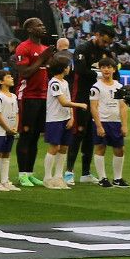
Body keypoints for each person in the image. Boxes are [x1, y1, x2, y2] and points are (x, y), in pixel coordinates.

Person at [70, 22, 116, 184]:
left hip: (98, 99)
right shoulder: (83, 49)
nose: (106, 45)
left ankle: (85, 173)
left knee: (91, 134)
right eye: (104, 41)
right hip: (81, 96)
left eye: (108, 43)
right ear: (96, 35)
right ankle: (69, 172)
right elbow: (80, 70)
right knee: (78, 133)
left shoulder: (107, 53)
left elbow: (114, 73)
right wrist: (100, 74)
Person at [10, 17, 53, 187]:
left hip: (43, 95)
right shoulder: (24, 47)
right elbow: (25, 72)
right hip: (28, 95)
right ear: (29, 29)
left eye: (43, 24)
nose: (43, 27)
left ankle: (30, 172)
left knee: (35, 136)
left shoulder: (43, 48)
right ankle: (22, 174)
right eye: (39, 25)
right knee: (26, 135)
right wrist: (42, 58)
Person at [42, 56, 83, 190]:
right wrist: (80, 105)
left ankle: (58, 177)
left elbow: (68, 100)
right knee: (54, 147)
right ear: (63, 68)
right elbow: (63, 102)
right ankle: (47, 178)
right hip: (54, 119)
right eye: (68, 66)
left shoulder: (64, 82)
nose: (69, 68)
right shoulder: (54, 83)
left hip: (65, 118)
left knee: (64, 147)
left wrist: (71, 116)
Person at [90, 59, 127, 187]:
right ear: (100, 69)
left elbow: (123, 107)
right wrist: (99, 125)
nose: (106, 69)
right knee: (100, 147)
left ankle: (118, 178)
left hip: (116, 122)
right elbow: (93, 107)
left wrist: (124, 125)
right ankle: (102, 178)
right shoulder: (96, 87)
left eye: (109, 67)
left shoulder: (119, 86)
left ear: (114, 69)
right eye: (103, 67)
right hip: (102, 121)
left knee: (120, 149)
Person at [0, 68, 21, 191]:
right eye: (8, 77)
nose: (11, 78)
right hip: (0, 131)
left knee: (6, 154)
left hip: (11, 130)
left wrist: (15, 126)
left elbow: (16, 112)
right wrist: (7, 128)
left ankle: (5, 180)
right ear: (1, 82)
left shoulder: (13, 96)